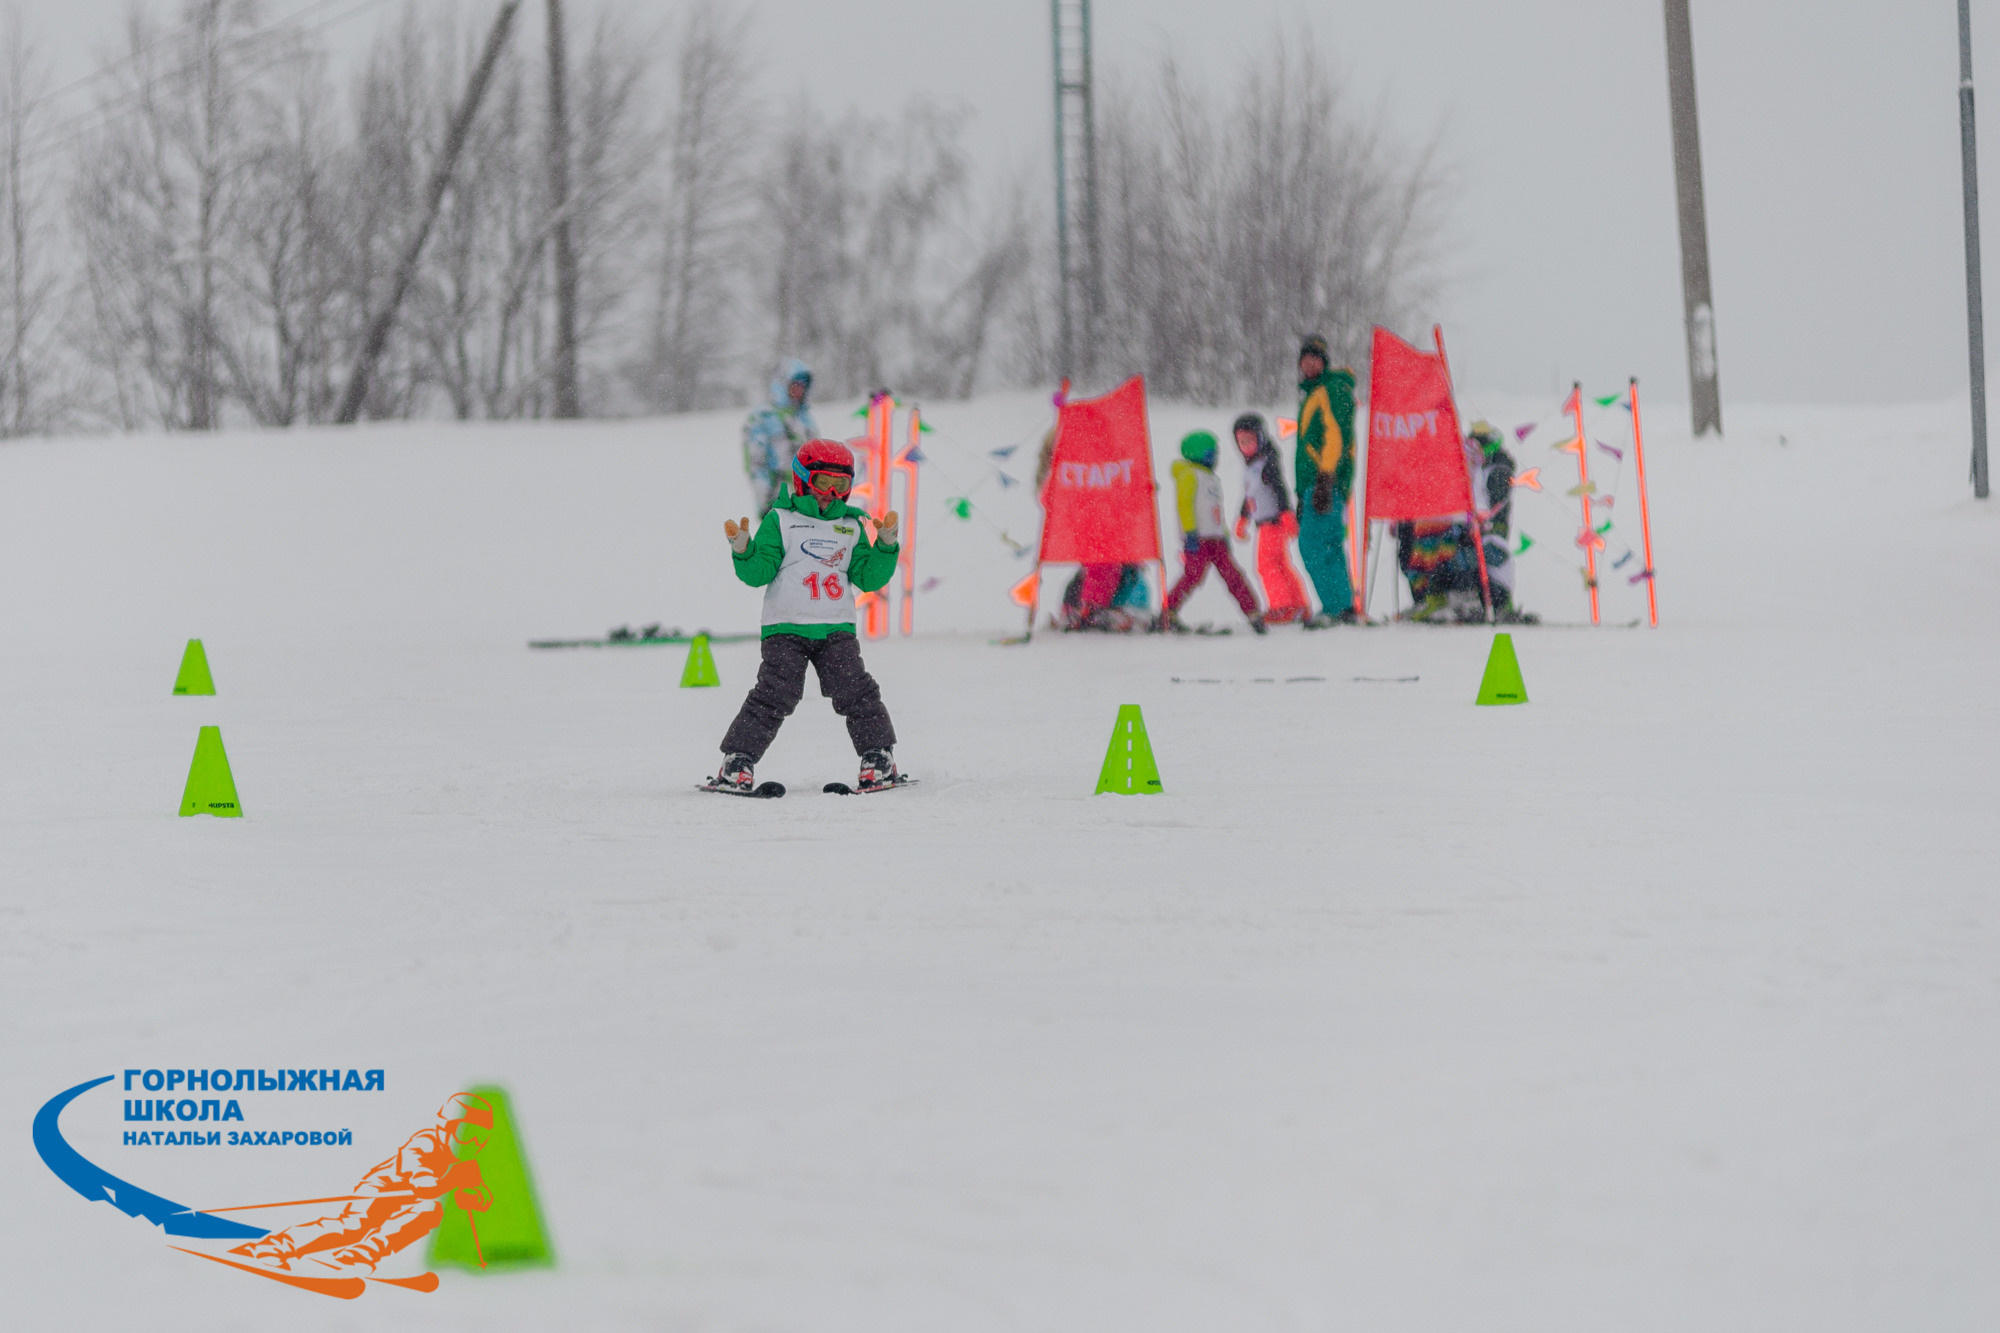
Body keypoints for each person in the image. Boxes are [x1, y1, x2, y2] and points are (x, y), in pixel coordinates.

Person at [708, 438, 909, 794]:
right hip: (786, 629)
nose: (830, 493)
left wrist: (886, 545)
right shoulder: (781, 520)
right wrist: (743, 548)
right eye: (823, 483)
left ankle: (878, 757)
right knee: (774, 694)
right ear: (802, 480)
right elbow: (758, 573)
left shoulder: (851, 526)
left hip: (836, 630)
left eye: (841, 485)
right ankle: (737, 761)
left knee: (857, 691)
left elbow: (868, 577)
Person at [229, 1093, 494, 1273]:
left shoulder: (466, 1163)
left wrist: (473, 1198)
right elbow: (424, 1185)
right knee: (353, 1226)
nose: (474, 1144)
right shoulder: (425, 1144)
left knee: (429, 1211)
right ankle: (270, 1247)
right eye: (466, 1135)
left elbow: (483, 1200)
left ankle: (361, 1255)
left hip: (415, 1201)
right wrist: (454, 1181)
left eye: (480, 1139)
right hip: (383, 1190)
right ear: (445, 1127)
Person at [1160, 431, 1265, 634]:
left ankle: (1253, 612)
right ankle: (1168, 612)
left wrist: (1224, 533)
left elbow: (1216, 511)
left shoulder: (1211, 478)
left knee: (1233, 575)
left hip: (1216, 539)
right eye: (1211, 453)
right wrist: (1190, 532)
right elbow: (1185, 505)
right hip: (1198, 538)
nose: (1215, 457)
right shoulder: (1189, 474)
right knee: (1193, 576)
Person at [1294, 334, 1358, 625]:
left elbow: (1336, 436)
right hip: (1318, 484)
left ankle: (1336, 607)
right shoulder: (1316, 391)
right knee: (1328, 544)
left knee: (1313, 545)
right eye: (1305, 359)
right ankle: (1341, 606)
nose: (1309, 364)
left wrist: (1324, 479)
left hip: (1324, 482)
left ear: (1324, 361)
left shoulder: (1330, 389)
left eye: (1315, 358)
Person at [1231, 412, 1308, 625]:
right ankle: (1297, 605)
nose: (1245, 446)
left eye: (1250, 440)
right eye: (1241, 442)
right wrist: (1243, 518)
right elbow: (1250, 496)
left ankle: (1281, 606)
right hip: (1264, 522)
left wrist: (1286, 513)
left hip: (1273, 523)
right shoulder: (1251, 466)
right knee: (1281, 564)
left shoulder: (1267, 463)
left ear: (1261, 438)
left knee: (1266, 565)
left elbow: (1279, 489)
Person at [741, 359, 817, 515]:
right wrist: (766, 500)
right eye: (795, 385)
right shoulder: (763, 417)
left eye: (803, 386)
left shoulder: (805, 420)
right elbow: (755, 463)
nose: (799, 390)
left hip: (807, 502)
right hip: (777, 500)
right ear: (783, 385)